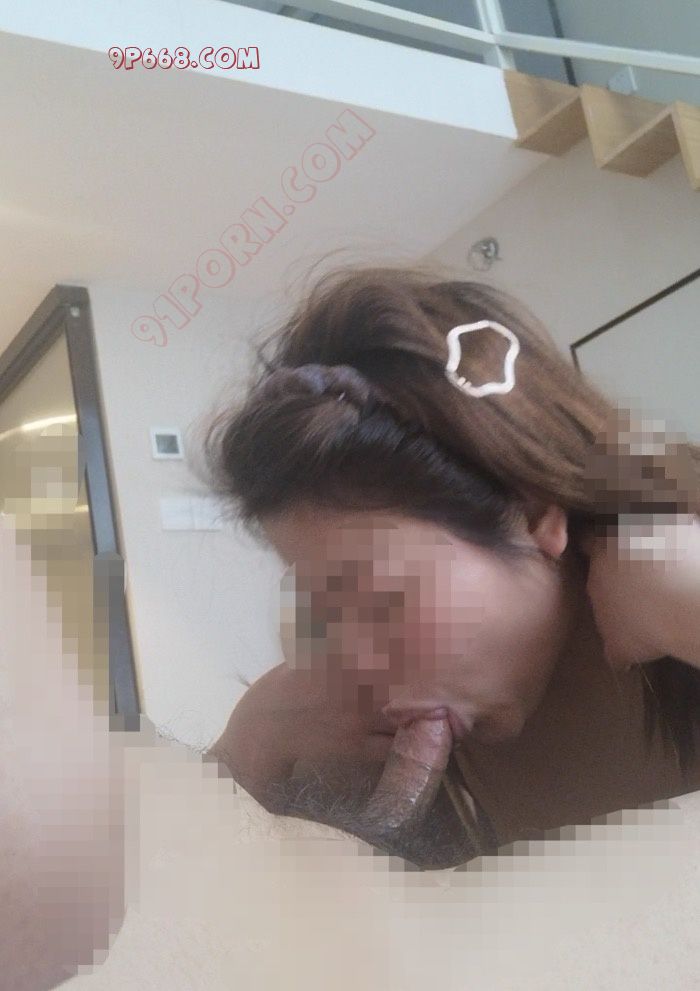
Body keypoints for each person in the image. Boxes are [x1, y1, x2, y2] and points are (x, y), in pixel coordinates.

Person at [194, 263, 700, 867]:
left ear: (535, 511)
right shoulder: (355, 717)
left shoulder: (676, 593)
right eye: (323, 607)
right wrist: (250, 746)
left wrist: (687, 603)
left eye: (382, 602)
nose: (361, 668)